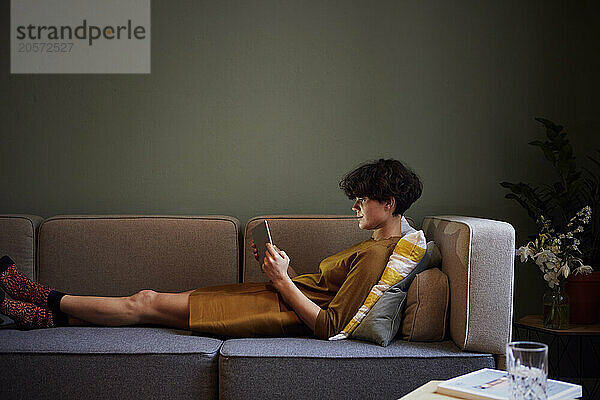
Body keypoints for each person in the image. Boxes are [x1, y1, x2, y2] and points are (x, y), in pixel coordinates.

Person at [0, 158, 422, 339]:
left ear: (388, 204)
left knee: (144, 303)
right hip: (272, 298)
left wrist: (280, 279)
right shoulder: (375, 245)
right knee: (146, 309)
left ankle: (41, 297)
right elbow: (323, 296)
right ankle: (40, 314)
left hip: (269, 312)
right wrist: (285, 275)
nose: (355, 205)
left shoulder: (377, 256)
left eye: (363, 199)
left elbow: (329, 325)